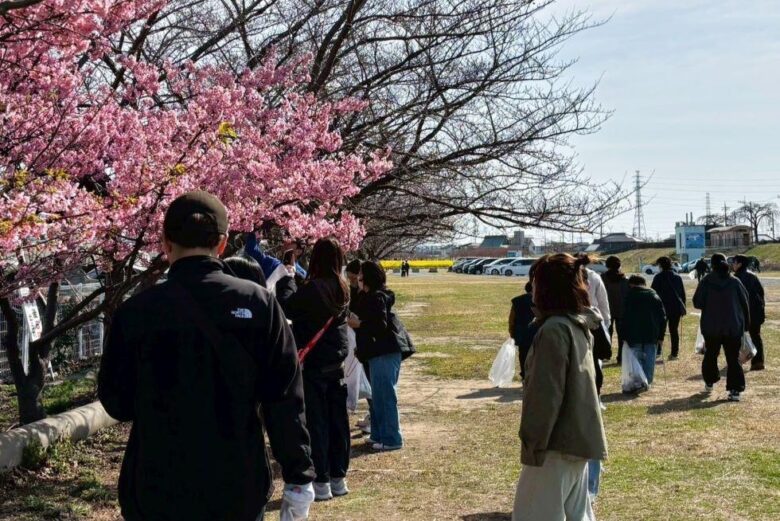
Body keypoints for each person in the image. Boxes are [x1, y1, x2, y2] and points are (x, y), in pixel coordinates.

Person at [98, 191, 315, 521]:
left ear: (166, 243)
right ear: (223, 243)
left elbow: (117, 402)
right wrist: (299, 475)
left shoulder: (136, 311)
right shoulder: (259, 304)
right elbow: (283, 397)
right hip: (236, 480)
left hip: (157, 482)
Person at [512, 253, 607, 521]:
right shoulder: (577, 324)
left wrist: (533, 444)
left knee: (535, 514)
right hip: (577, 439)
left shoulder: (554, 329)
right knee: (577, 514)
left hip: (555, 444)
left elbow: (545, 396)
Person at [276, 238, 352, 502]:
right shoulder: (342, 288)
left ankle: (321, 480)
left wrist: (287, 277)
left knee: (317, 424)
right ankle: (338, 477)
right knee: (338, 422)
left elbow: (288, 305)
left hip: (315, 366)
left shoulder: (312, 289)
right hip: (336, 365)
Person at [351, 260, 404, 451]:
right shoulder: (368, 296)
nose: (358, 278)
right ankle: (378, 434)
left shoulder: (377, 297)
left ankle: (392, 438)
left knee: (384, 396)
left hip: (384, 352)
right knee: (377, 397)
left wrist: (360, 325)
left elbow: (379, 326)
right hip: (376, 352)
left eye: (361, 274)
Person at [693, 253, 750, 401]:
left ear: (711, 265)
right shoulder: (735, 281)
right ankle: (735, 390)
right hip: (733, 326)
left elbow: (697, 302)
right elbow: (745, 303)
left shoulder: (706, 281)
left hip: (711, 326)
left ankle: (710, 380)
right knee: (733, 358)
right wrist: (746, 325)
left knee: (711, 354)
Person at [620, 275, 667, 385]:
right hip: (651, 333)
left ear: (631, 284)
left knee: (636, 359)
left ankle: (638, 380)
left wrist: (623, 335)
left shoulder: (629, 296)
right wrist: (661, 335)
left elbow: (624, 317)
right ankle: (647, 381)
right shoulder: (654, 295)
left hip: (633, 333)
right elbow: (663, 317)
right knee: (650, 359)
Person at [733, 254, 766, 371]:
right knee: (756, 336)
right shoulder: (753, 276)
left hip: (741, 313)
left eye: (734, 262)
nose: (733, 265)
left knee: (736, 338)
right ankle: (758, 362)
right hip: (756, 312)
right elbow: (761, 294)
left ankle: (736, 361)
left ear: (740, 264)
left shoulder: (735, 279)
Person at [651, 256, 687, 360]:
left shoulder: (658, 277)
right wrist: (683, 306)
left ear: (660, 265)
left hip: (661, 307)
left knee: (659, 330)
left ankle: (658, 351)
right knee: (674, 331)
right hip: (675, 307)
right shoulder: (677, 276)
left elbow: (653, 293)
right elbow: (682, 294)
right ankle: (674, 353)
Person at [508, 273, 538, 380]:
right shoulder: (540, 300)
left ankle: (525, 376)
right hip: (537, 333)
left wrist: (512, 333)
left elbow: (512, 319)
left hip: (522, 334)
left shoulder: (517, 301)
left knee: (523, 355)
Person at [601, 256, 628, 363]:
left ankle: (606, 355)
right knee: (622, 335)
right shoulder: (625, 279)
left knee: (607, 332)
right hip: (622, 310)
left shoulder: (602, 277)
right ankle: (621, 357)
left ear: (607, 265)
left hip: (607, 310)